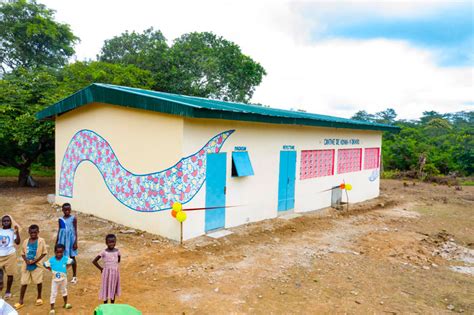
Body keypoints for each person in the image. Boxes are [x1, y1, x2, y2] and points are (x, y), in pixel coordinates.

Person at [14, 225, 47, 310]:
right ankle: (21, 301)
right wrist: (26, 261)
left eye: (35, 232)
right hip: (27, 265)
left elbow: (44, 253)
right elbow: (22, 253)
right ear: (29, 232)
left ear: (38, 232)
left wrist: (36, 261)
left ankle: (39, 297)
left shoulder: (41, 241)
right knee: (24, 282)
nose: (33, 234)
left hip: (37, 265)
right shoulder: (25, 241)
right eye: (31, 232)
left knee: (38, 281)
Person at [43, 244, 73, 314]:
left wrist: (66, 268)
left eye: (61, 252)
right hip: (55, 280)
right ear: (55, 252)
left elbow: (72, 261)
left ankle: (65, 303)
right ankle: (52, 308)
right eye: (57, 252)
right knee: (53, 293)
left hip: (63, 279)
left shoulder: (65, 258)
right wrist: (50, 269)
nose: (59, 254)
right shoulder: (52, 260)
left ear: (63, 252)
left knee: (64, 290)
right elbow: (45, 264)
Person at [92, 234, 121, 304]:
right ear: (106, 243)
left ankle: (112, 304)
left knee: (113, 287)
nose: (112, 244)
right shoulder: (104, 252)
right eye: (109, 242)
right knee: (106, 287)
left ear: (115, 242)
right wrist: (101, 269)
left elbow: (119, 259)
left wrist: (115, 267)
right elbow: (94, 261)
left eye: (113, 242)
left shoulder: (117, 251)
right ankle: (105, 304)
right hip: (107, 274)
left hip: (115, 274)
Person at [56, 203, 78, 284]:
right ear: (62, 210)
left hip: (71, 240)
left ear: (70, 209)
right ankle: (62, 275)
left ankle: (74, 276)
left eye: (68, 209)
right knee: (62, 258)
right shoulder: (60, 219)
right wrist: (57, 241)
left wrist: (75, 242)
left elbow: (75, 230)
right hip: (62, 240)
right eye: (65, 210)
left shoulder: (73, 218)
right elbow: (59, 230)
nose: (67, 211)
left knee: (72, 257)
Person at [0, 215, 20, 300]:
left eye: (8, 221)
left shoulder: (12, 231)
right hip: (0, 255)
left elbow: (18, 242)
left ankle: (8, 291)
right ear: (2, 222)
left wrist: (17, 232)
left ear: (11, 222)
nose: (6, 222)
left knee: (10, 274)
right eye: (4, 221)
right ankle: (1, 285)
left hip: (10, 255)